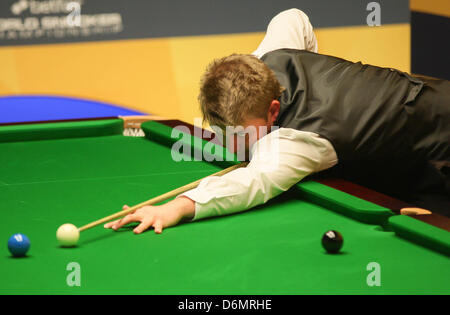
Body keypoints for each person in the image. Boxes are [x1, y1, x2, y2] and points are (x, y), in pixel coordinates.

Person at [104, 9, 450, 234]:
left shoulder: (298, 141)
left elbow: (251, 184)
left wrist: (179, 206)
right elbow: (293, 16)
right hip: (419, 113)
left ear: (273, 110)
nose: (231, 143)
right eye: (225, 132)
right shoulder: (267, 59)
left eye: (241, 133)